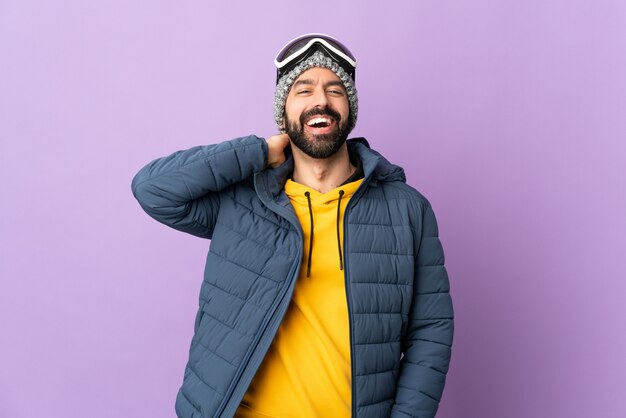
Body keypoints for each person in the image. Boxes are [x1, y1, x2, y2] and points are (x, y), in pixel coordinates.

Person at [132, 34, 453, 418]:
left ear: (349, 108)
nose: (321, 100)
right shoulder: (241, 202)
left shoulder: (407, 210)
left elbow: (431, 331)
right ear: (283, 113)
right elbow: (152, 189)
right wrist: (258, 152)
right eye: (304, 90)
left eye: (335, 90)